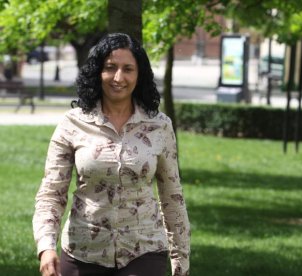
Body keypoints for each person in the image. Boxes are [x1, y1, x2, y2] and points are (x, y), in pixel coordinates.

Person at [32, 33, 190, 276]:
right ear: (98, 72)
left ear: (139, 75)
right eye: (110, 68)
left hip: (144, 252)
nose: (118, 77)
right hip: (83, 251)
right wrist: (46, 247)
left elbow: (172, 198)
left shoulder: (160, 126)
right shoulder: (72, 123)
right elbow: (52, 193)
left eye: (128, 69)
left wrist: (181, 262)